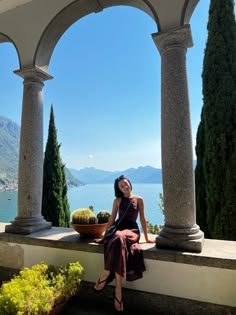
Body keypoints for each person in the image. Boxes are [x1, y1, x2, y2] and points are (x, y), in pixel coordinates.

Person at [93, 175, 155, 312]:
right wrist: (104, 237)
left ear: (130, 183)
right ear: (119, 189)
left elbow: (143, 220)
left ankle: (106, 273)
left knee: (118, 237)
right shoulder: (117, 201)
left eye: (126, 184)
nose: (125, 187)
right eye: (122, 186)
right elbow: (111, 221)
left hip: (132, 231)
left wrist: (147, 238)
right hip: (118, 231)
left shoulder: (139, 200)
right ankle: (118, 290)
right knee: (118, 241)